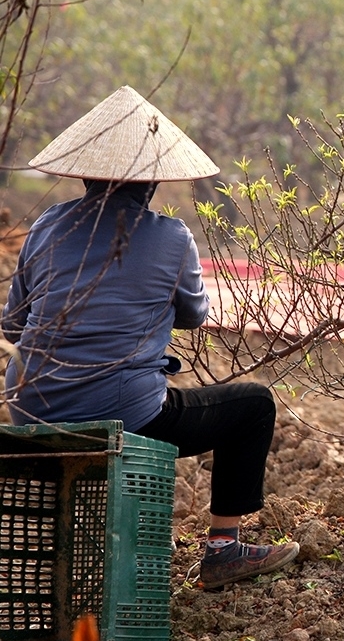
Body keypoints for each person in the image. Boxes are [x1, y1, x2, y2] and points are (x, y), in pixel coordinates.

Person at [1, 86, 299, 589]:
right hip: (126, 414)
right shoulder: (172, 236)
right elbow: (195, 315)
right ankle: (224, 549)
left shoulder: (47, 226)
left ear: (86, 173)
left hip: (32, 407)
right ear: (154, 180)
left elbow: (13, 326)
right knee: (252, 404)